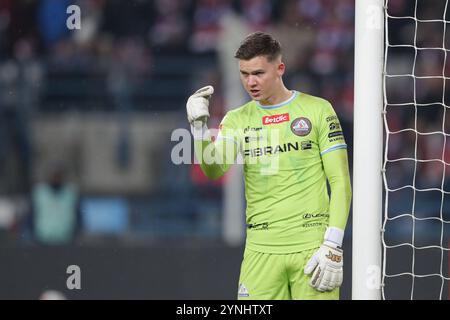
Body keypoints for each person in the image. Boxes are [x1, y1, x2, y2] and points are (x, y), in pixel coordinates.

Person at [186, 31, 352, 300]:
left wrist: (333, 244)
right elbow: (214, 169)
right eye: (244, 74)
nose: (250, 82)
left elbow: (341, 183)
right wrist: (199, 130)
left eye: (259, 73)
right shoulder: (237, 119)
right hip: (260, 251)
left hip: (311, 250)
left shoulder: (318, 110)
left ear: (280, 68)